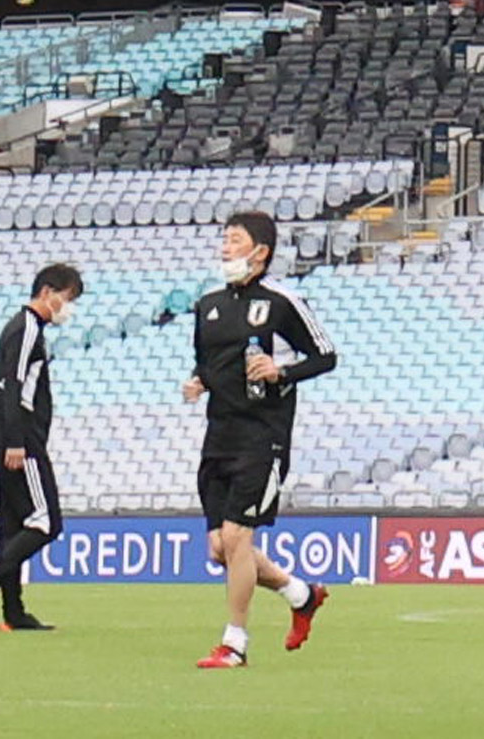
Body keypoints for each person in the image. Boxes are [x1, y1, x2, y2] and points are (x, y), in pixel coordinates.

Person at [183, 208, 338, 671]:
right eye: (224, 238)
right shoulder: (207, 304)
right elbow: (206, 362)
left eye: (234, 239)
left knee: (236, 536)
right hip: (219, 434)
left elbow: (326, 355)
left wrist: (281, 370)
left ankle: (234, 644)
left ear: (261, 251)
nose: (225, 246)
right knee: (221, 548)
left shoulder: (282, 302)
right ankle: (301, 594)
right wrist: (198, 382)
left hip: (262, 436)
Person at [0, 262, 77, 633]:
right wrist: (16, 440)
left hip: (4, 437)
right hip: (20, 440)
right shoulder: (27, 328)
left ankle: (14, 610)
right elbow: (12, 386)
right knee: (47, 522)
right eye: (67, 298)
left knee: (12, 526)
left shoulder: (24, 329)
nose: (68, 307)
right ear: (48, 293)